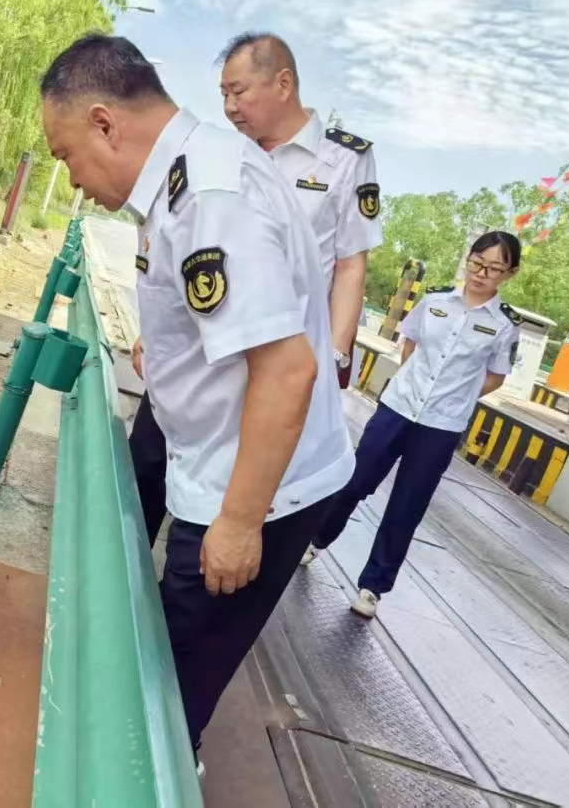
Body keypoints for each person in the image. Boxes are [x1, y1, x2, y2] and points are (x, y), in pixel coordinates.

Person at [40, 34, 354, 757]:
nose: (76, 180)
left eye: (66, 156)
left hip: (255, 491)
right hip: (218, 462)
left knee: (171, 691)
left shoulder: (211, 195)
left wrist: (239, 522)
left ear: (104, 123)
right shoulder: (188, 176)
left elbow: (287, 370)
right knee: (165, 661)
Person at [129, 32, 382, 543]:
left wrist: (332, 353)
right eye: (223, 94)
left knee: (231, 499)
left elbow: (351, 267)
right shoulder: (221, 153)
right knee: (146, 465)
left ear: (283, 83)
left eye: (239, 92)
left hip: (275, 356)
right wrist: (154, 335)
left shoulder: (344, 161)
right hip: (202, 351)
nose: (229, 107)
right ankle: (119, 584)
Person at [304, 232, 523, 617]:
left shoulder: (504, 326)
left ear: (509, 274)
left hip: (441, 426)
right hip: (397, 409)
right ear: (468, 259)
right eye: (476, 262)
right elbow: (410, 344)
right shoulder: (435, 301)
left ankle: (373, 587)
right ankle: (316, 539)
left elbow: (495, 377)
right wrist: (413, 382)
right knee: (356, 480)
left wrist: (458, 396)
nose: (481, 273)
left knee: (407, 505)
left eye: (493, 269)